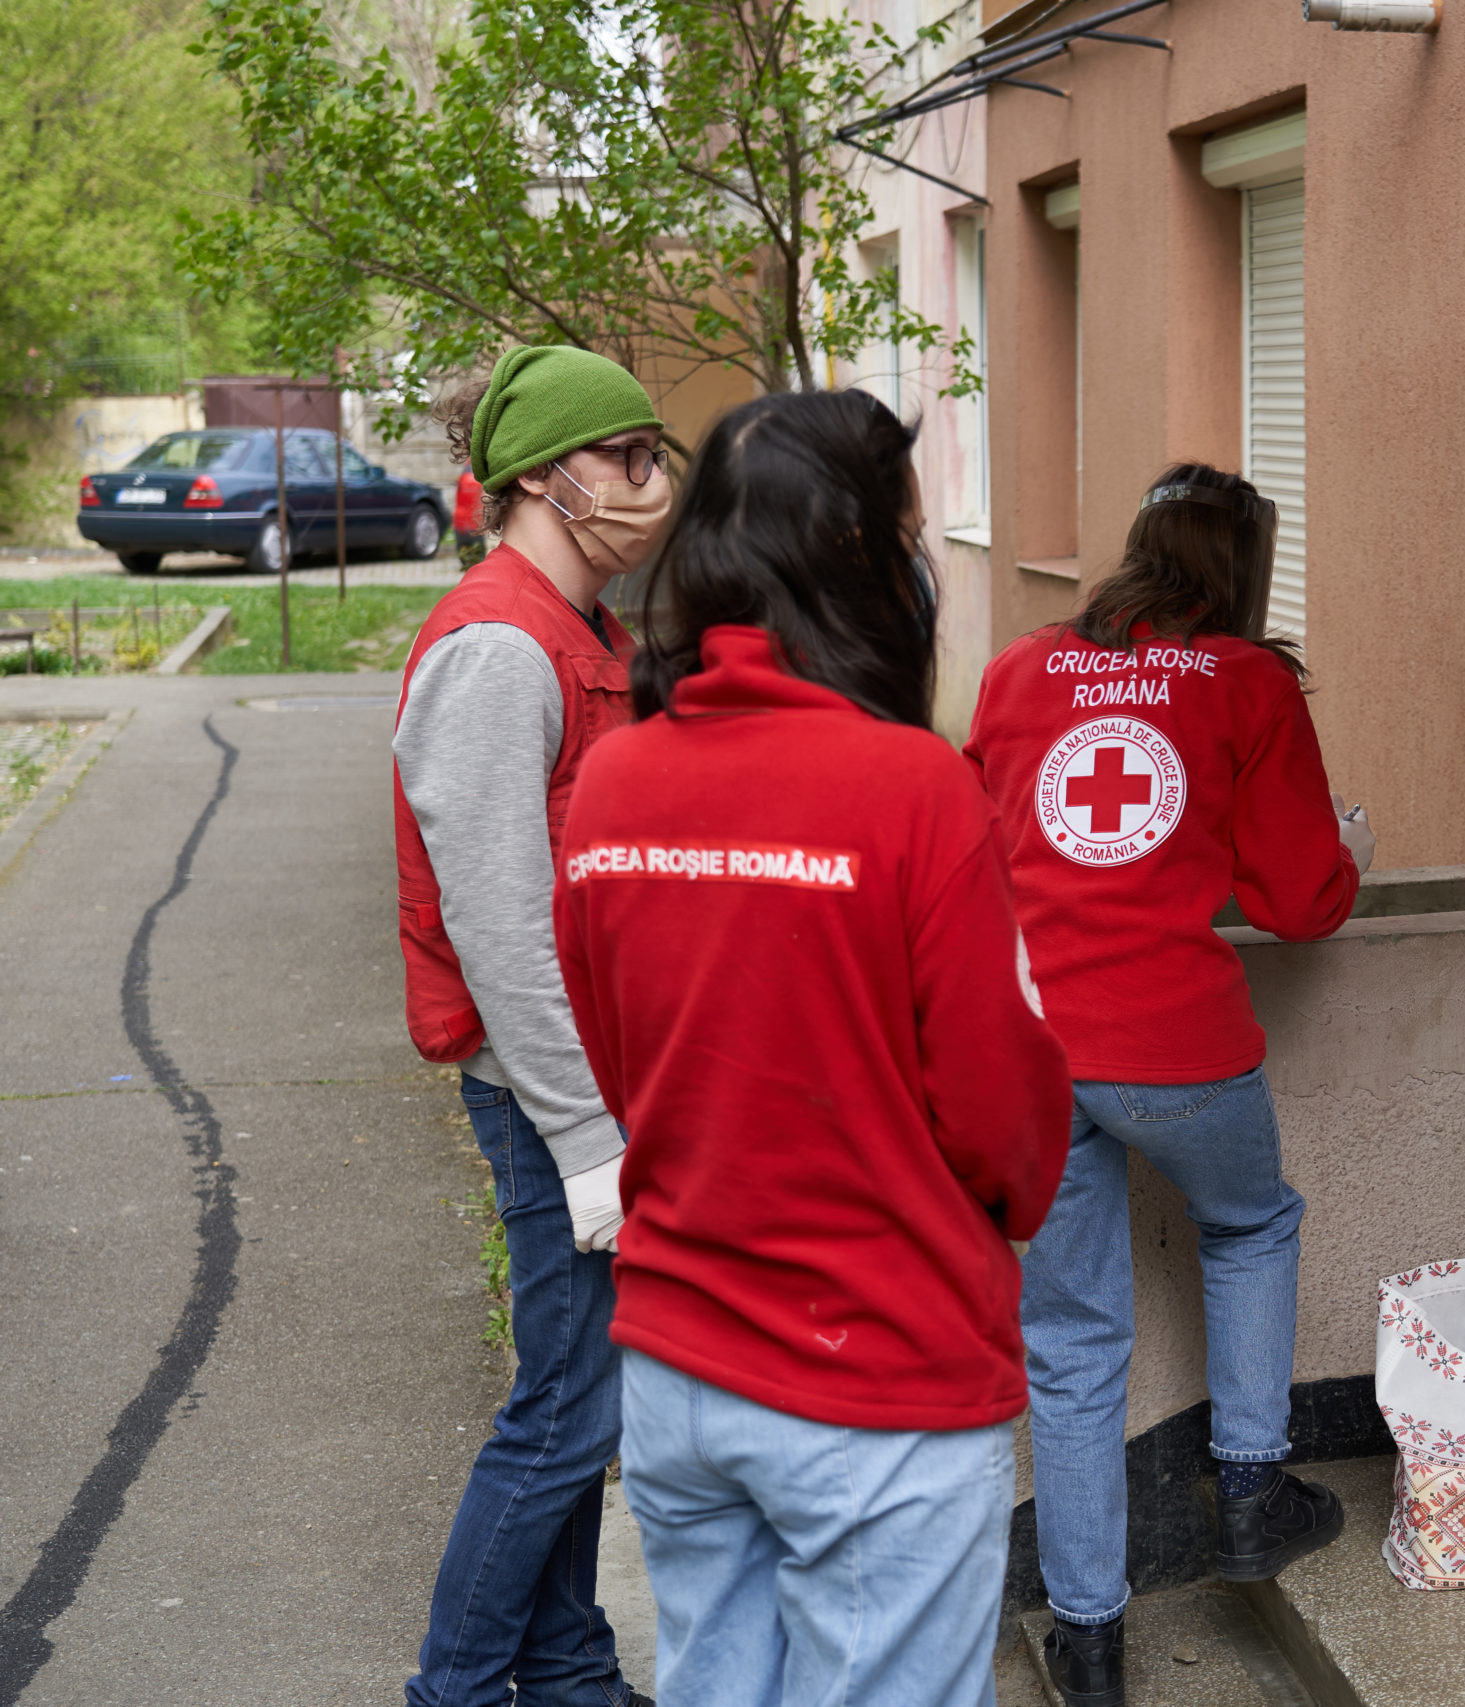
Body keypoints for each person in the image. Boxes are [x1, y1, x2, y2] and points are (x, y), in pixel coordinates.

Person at [551, 388, 1072, 1707]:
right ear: (860, 557)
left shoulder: (615, 778)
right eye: (910, 533)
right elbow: (1003, 1122)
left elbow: (624, 1059)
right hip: (878, 1374)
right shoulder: (913, 789)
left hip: (677, 1370)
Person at [965, 464, 1375, 1707]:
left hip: (1034, 1054)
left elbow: (974, 853)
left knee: (1074, 1344)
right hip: (1175, 1048)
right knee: (1249, 1223)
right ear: (1242, 568)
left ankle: (1089, 1642)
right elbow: (1301, 904)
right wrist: (1347, 852)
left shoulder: (1022, 669)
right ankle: (1251, 1490)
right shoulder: (1249, 684)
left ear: (1139, 549)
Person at [396, 344, 670, 1707]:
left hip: (590, 1087)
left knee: (582, 1403)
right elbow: (497, 921)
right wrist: (586, 1139)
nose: (652, 480)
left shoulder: (585, 636)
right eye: (630, 457)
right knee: (566, 1410)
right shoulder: (502, 647)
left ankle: (566, 1665)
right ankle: (456, 1686)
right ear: (552, 477)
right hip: (546, 1093)